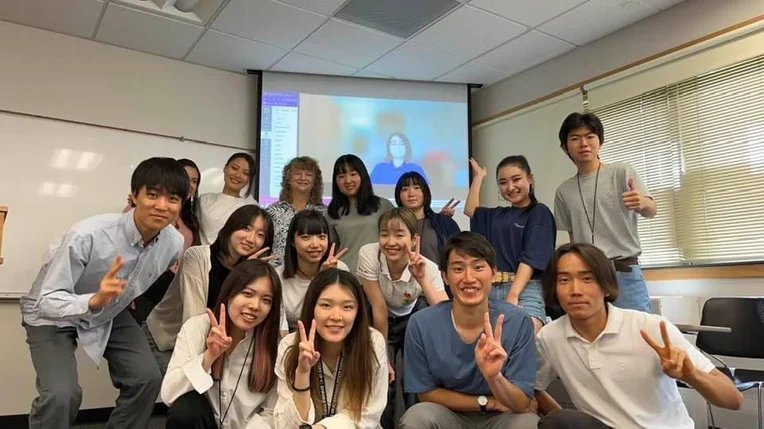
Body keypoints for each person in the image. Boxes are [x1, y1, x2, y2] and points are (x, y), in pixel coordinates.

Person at [20, 157, 188, 429]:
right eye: (153, 195)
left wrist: (109, 301)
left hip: (110, 311)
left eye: (172, 199)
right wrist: (94, 299)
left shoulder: (172, 243)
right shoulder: (87, 235)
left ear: (181, 204)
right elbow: (47, 300)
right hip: (51, 313)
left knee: (147, 378)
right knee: (62, 395)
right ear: (134, 195)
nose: (161, 206)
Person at [534, 243, 743, 428]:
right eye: (564, 280)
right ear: (554, 288)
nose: (575, 290)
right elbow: (533, 388)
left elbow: (734, 400)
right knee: (558, 421)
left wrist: (691, 376)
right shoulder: (550, 337)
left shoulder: (650, 327)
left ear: (606, 287)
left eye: (587, 278)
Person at [399, 232, 539, 429]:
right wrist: (486, 402)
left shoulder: (517, 322)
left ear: (493, 272)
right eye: (458, 268)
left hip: (502, 418)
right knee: (417, 416)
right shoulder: (422, 324)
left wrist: (494, 377)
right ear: (445, 277)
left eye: (478, 267)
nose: (469, 277)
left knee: (528, 423)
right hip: (447, 415)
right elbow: (425, 393)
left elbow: (523, 404)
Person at [146, 204, 273, 373]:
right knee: (187, 395)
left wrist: (247, 275)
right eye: (246, 228)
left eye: (260, 235)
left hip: (211, 347)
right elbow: (194, 320)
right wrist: (241, 276)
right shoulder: (197, 257)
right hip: (166, 341)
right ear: (231, 226)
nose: (251, 238)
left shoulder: (250, 270)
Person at [554, 112, 657, 312]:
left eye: (590, 136)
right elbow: (574, 238)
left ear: (600, 142)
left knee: (638, 333)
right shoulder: (563, 191)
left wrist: (642, 202)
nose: (583, 143)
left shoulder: (621, 172)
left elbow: (652, 210)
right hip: (586, 275)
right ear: (564, 147)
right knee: (591, 336)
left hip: (623, 272)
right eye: (575, 138)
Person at [356, 208, 449, 429]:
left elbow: (444, 311)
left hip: (413, 319)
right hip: (379, 318)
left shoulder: (429, 267)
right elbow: (378, 308)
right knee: (379, 376)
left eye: (399, 234)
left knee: (413, 380)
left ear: (414, 239)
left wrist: (423, 279)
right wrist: (383, 357)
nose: (391, 242)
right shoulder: (369, 254)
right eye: (384, 234)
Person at [161, 259, 281, 429]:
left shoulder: (273, 344)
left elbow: (271, 412)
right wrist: (209, 356)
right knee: (186, 409)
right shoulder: (197, 328)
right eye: (247, 293)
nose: (255, 305)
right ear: (230, 292)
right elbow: (169, 394)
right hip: (204, 424)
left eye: (266, 300)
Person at [274, 269, 388, 428]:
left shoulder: (373, 343)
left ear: (358, 312)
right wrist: (302, 373)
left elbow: (369, 414)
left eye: (347, 307)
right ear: (312, 307)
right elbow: (285, 425)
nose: (336, 316)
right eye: (326, 305)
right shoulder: (290, 345)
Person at [465, 156, 555, 332]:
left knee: (521, 339)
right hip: (491, 289)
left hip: (525, 289)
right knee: (490, 345)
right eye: (503, 182)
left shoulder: (539, 213)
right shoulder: (498, 215)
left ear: (530, 178)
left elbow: (530, 258)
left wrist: (513, 295)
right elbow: (470, 210)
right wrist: (479, 177)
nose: (510, 187)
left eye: (516, 179)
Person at [130, 158, 202, 324]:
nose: (189, 184)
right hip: (144, 289)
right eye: (184, 177)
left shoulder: (192, 216)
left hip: (172, 290)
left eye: (194, 181)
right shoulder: (141, 211)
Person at [278, 209, 349, 333]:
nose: (315, 244)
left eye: (321, 237)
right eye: (306, 237)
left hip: (330, 334)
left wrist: (327, 277)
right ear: (293, 242)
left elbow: (343, 313)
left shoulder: (339, 269)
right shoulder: (278, 275)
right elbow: (280, 327)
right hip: (289, 338)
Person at [326, 154, 394, 274]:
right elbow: (330, 249)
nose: (348, 180)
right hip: (345, 276)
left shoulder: (383, 205)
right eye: (341, 176)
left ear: (362, 176)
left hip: (379, 275)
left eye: (353, 174)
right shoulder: (332, 212)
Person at [267, 156, 327, 267]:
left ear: (315, 182)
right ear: (288, 178)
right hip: (278, 274)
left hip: (313, 273)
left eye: (309, 175)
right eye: (298, 173)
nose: (303, 178)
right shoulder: (272, 211)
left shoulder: (324, 213)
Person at [394, 171, 460, 265]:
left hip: (438, 279)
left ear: (425, 192)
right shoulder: (393, 225)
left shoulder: (443, 222)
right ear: (398, 196)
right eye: (405, 189)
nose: (411, 193)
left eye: (417, 188)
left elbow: (460, 254)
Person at [198, 152, 259, 245]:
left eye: (245, 173)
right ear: (225, 168)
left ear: (249, 179)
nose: (238, 175)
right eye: (234, 168)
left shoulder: (252, 207)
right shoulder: (204, 200)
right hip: (203, 257)